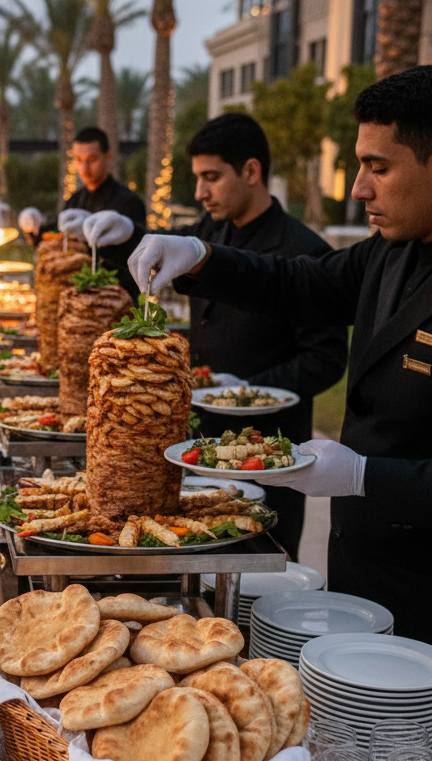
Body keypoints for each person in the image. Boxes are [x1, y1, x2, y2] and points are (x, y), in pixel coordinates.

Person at [127, 66, 432, 644]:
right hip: (362, 566)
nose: (359, 189)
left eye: (380, 167)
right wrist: (200, 255)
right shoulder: (390, 251)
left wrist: (368, 476)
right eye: (361, 165)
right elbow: (300, 284)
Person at [84, 112, 347, 558]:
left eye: (212, 177)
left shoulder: (305, 251)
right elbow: (152, 252)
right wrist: (123, 235)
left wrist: (247, 391)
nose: (201, 192)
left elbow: (326, 358)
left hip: (266, 452)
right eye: (197, 179)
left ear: (251, 171)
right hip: (197, 444)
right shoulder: (209, 232)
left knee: (259, 567)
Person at [18, 127, 146, 298]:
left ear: (108, 157)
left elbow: (136, 256)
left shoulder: (129, 203)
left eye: (91, 160)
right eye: (79, 160)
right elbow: (54, 234)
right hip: (77, 298)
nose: (84, 167)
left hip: (117, 299)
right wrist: (32, 226)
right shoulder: (75, 200)